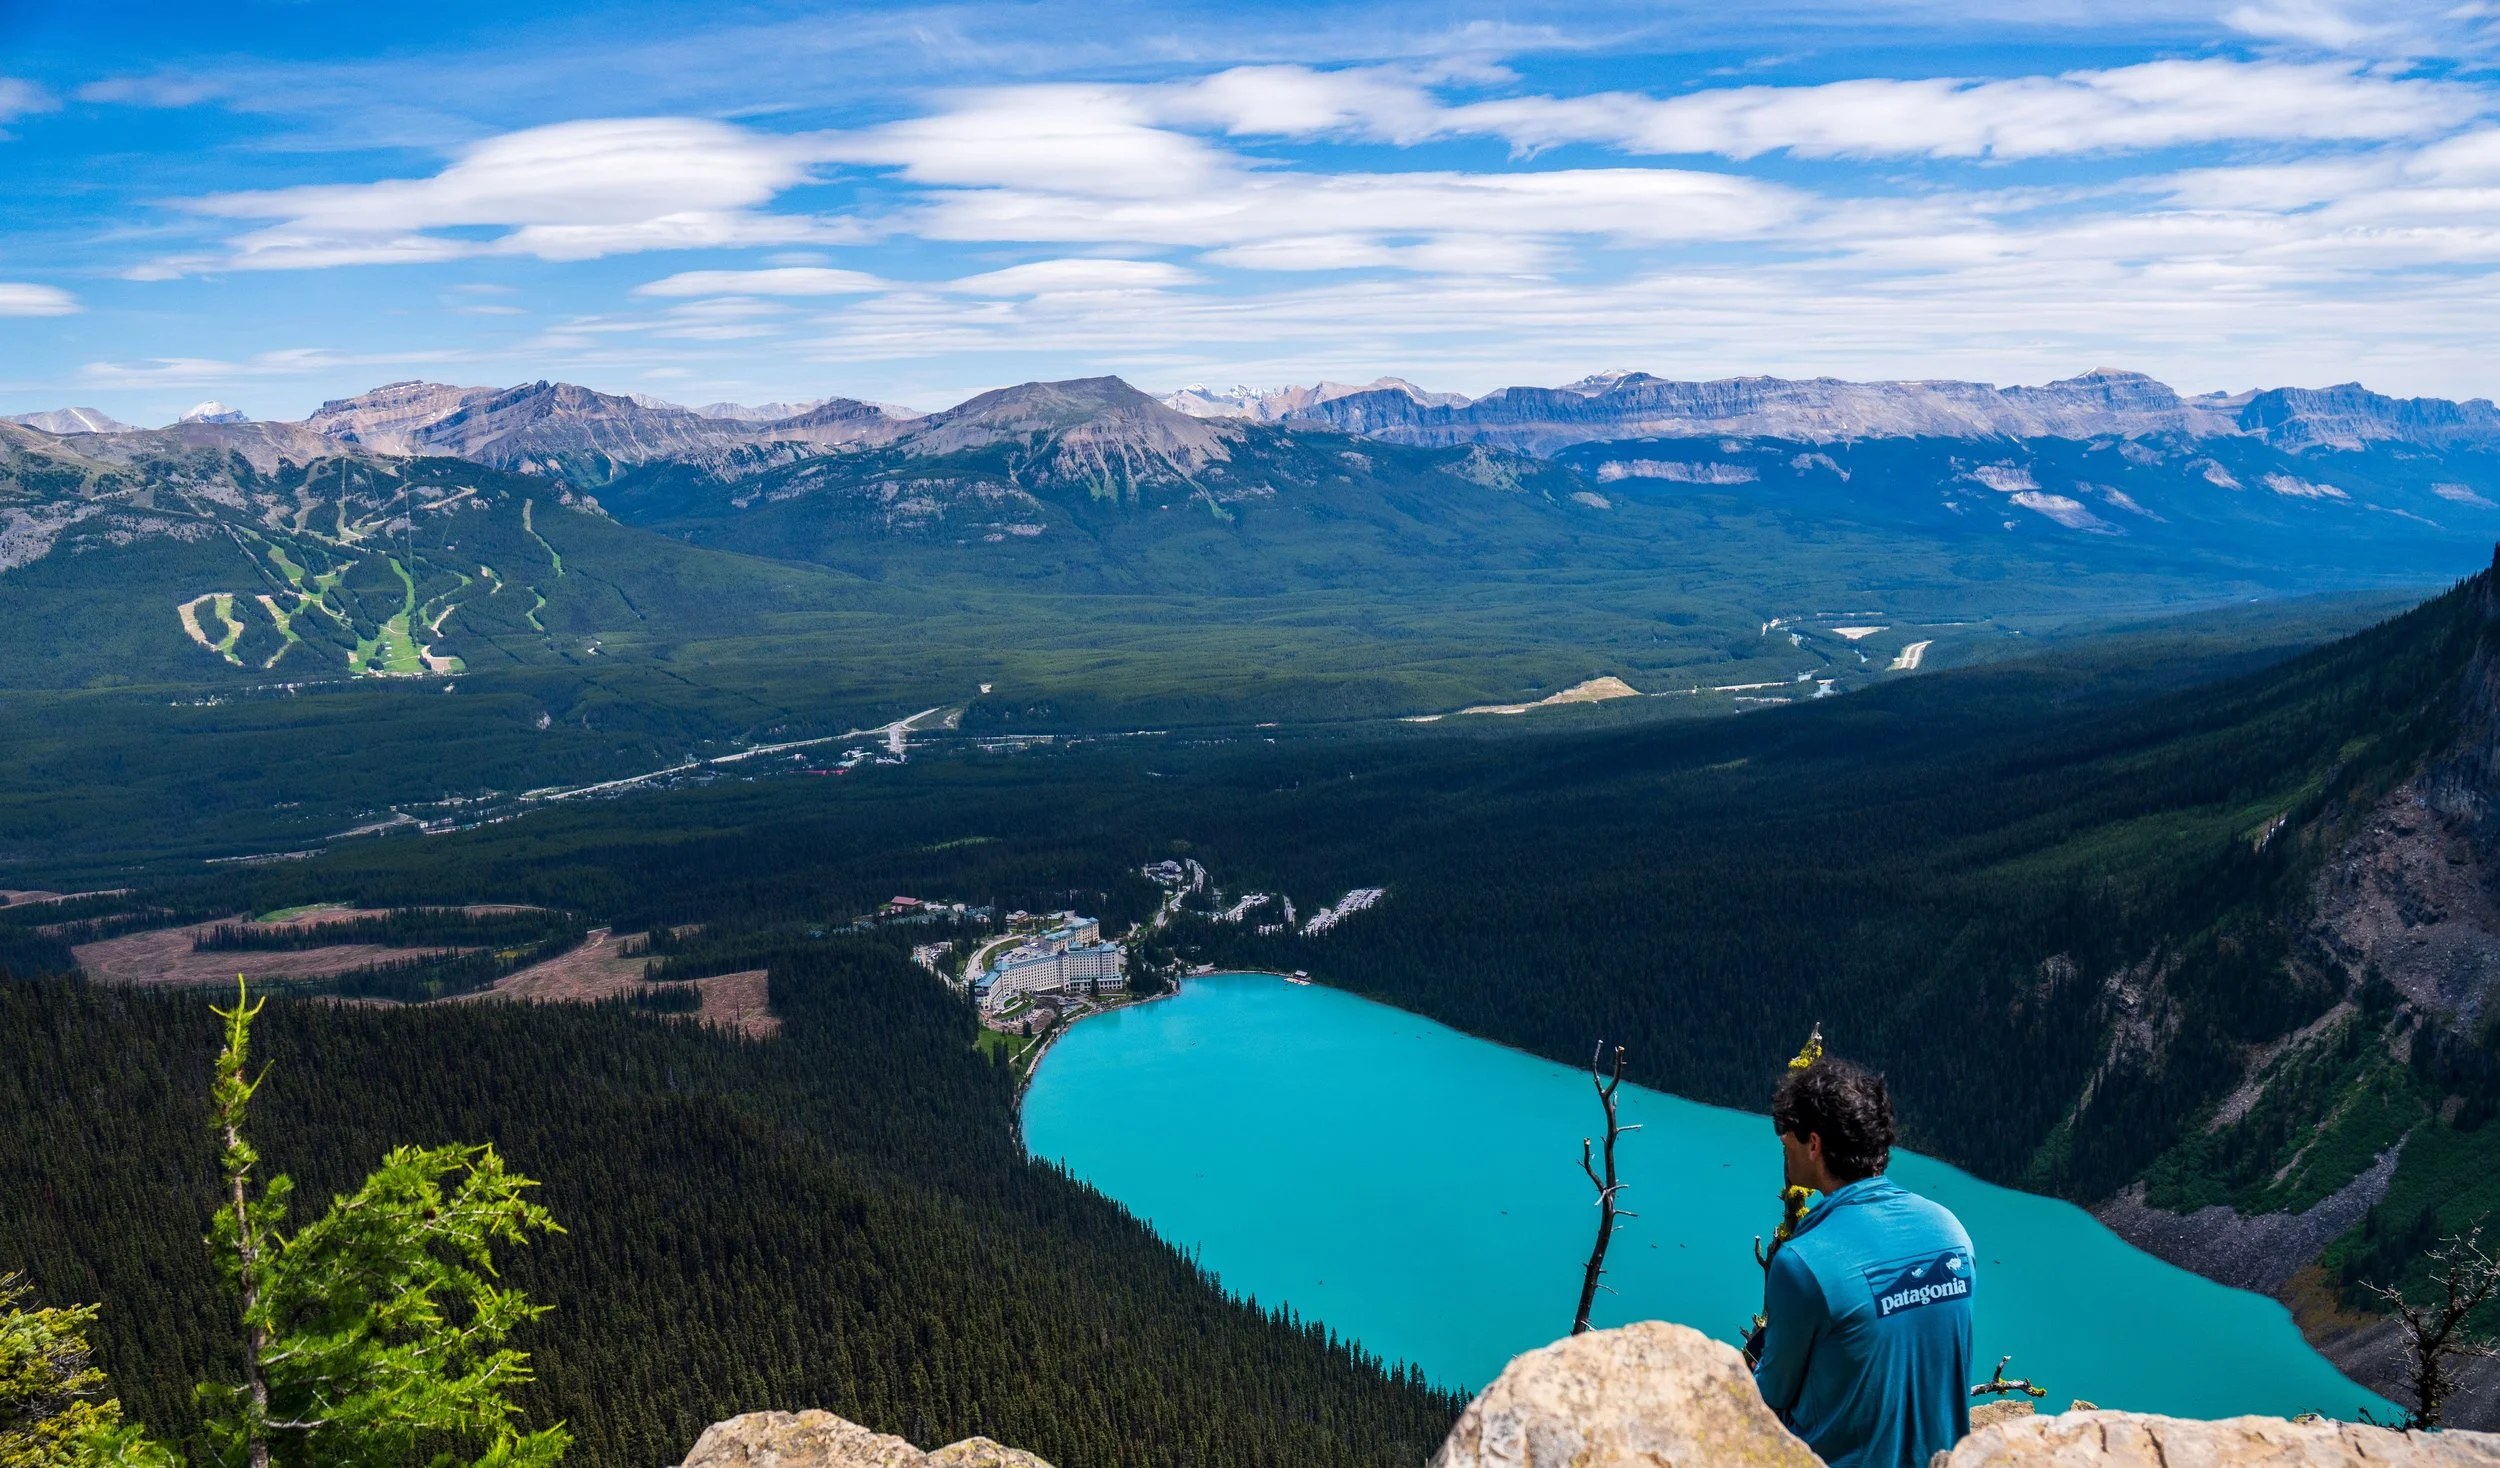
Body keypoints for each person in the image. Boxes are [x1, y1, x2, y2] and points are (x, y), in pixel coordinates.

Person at [1751, 1057, 1975, 1468]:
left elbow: (1768, 1397)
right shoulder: (1952, 1234)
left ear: (1814, 1145)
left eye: (1788, 1141)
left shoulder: (1803, 1262)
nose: (1784, 1148)